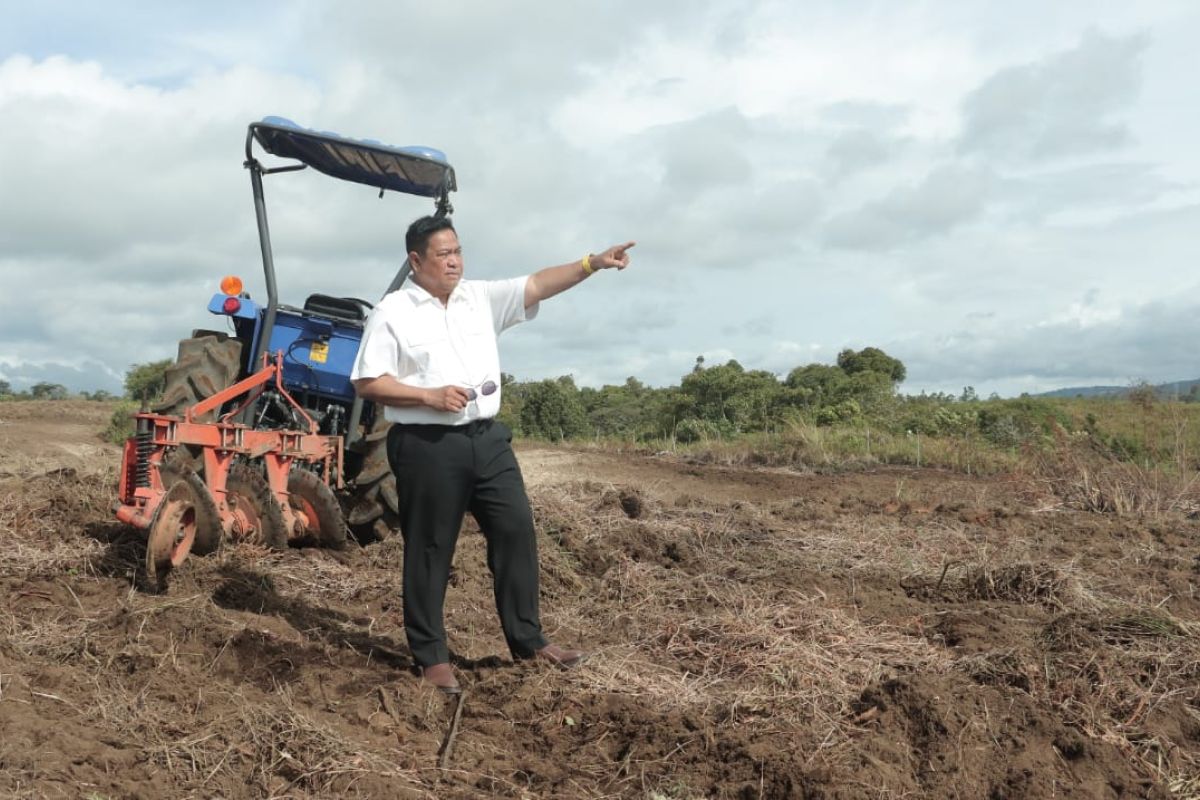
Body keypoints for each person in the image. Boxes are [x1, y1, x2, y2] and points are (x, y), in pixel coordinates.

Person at [351, 215, 635, 694]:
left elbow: (538, 283)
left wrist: (592, 263)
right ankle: (432, 658)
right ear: (416, 261)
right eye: (444, 254)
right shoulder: (392, 312)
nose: (455, 261)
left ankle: (528, 640)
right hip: (427, 446)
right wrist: (429, 396)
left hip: (487, 440)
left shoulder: (478, 298)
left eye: (458, 251)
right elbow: (367, 381)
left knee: (516, 529)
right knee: (430, 549)